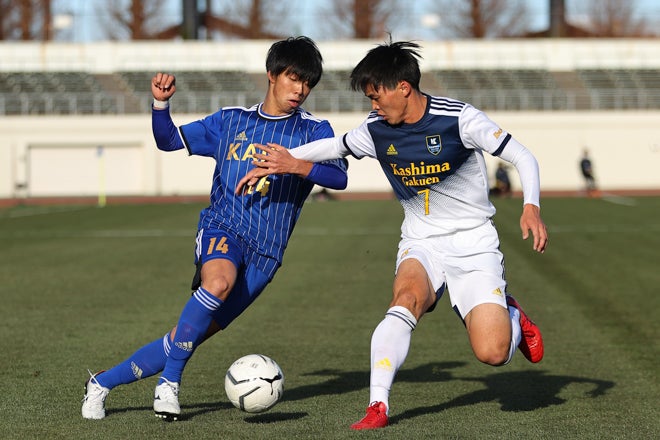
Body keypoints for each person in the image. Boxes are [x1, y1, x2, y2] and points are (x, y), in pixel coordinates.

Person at [236, 40, 548, 430]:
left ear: (403, 87)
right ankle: (377, 406)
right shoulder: (377, 130)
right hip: (421, 241)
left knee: (493, 353)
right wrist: (287, 160)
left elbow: (522, 156)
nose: (373, 106)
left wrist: (530, 206)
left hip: (474, 244)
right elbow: (337, 145)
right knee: (404, 300)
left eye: (375, 96)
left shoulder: (459, 119)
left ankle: (513, 317)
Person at [81, 36, 348, 421]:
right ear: (272, 75)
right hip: (223, 226)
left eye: (307, 83)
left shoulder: (313, 131)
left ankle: (102, 383)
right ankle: (168, 384)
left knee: (185, 338)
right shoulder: (231, 121)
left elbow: (338, 179)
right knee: (218, 281)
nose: (300, 90)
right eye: (293, 78)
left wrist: (295, 165)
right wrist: (160, 104)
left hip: (266, 254)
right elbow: (168, 140)